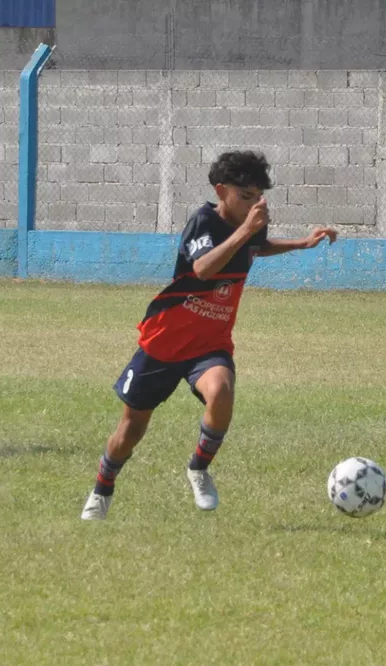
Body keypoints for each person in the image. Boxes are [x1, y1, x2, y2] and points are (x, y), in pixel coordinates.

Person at [81, 150, 337, 520]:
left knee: (222, 392)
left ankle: (199, 468)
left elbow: (256, 247)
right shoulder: (203, 221)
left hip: (210, 344)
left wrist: (300, 243)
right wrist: (246, 230)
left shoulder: (251, 224)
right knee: (130, 431)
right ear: (221, 191)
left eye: (258, 196)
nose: (254, 203)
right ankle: (102, 490)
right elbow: (203, 268)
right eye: (245, 195)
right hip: (165, 342)